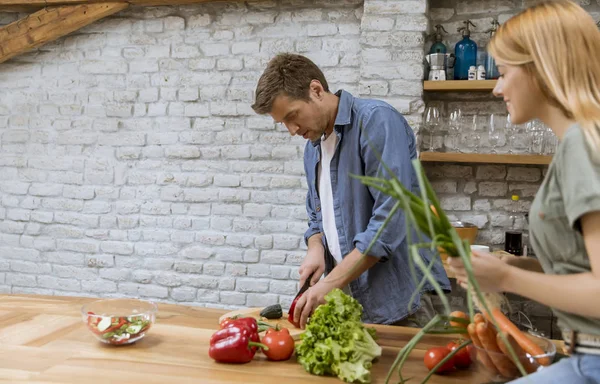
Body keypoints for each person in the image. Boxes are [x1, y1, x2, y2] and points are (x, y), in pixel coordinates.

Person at [447, 1, 600, 382]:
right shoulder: (577, 142)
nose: (497, 88)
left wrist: (506, 281)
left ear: (539, 69)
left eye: (502, 73)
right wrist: (514, 266)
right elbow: (579, 268)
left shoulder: (584, 144)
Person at [251, 53, 450, 329]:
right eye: (283, 123)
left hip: (404, 303)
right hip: (355, 302)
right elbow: (317, 216)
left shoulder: (376, 122)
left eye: (292, 116)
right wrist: (315, 247)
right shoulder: (313, 150)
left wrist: (330, 282)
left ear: (316, 90)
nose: (292, 130)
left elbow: (389, 221)